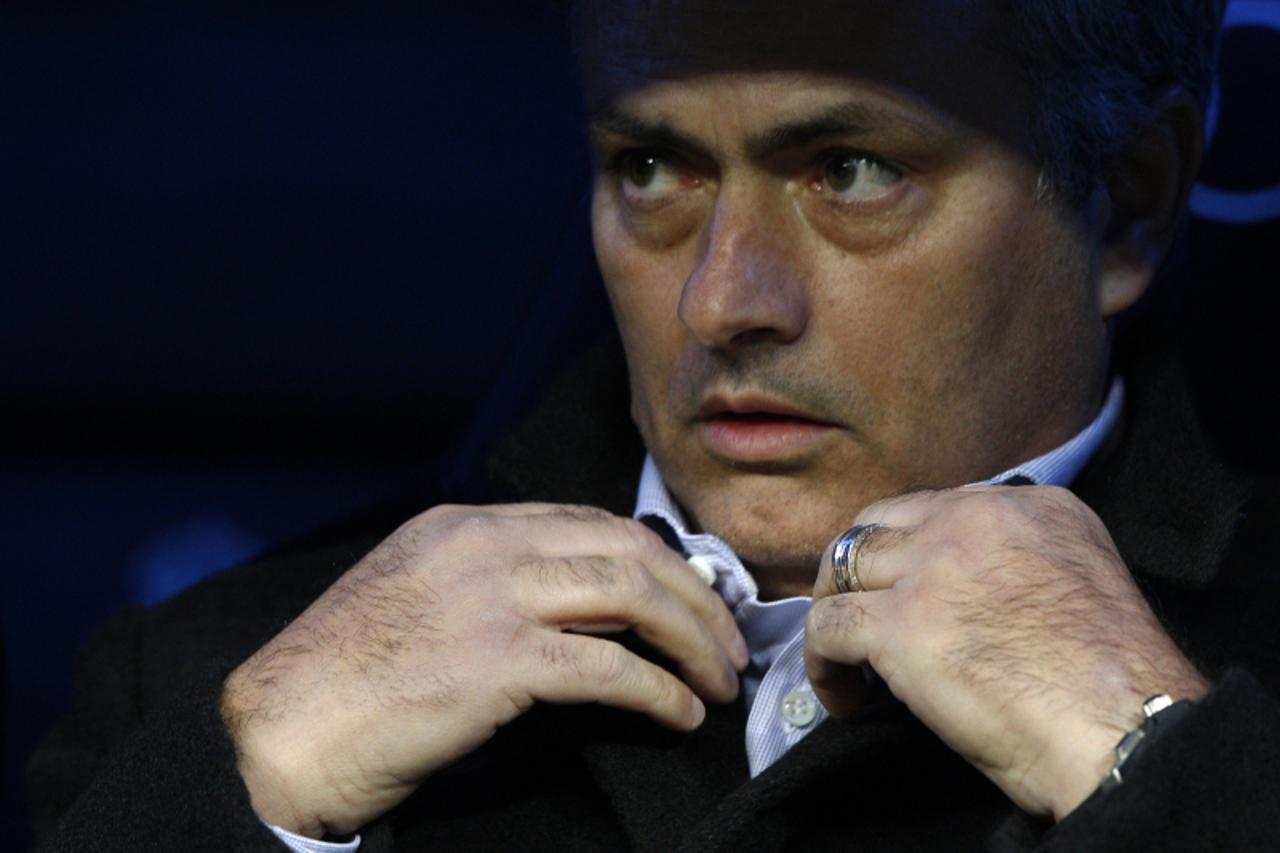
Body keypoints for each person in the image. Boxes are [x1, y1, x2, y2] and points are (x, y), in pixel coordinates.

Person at [27, 0, 1280, 850]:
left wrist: (1166, 767)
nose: (719, 297)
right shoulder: (221, 681)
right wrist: (249, 803)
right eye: (650, 170)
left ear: (1129, 200)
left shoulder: (1240, 703)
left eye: (849, 170)